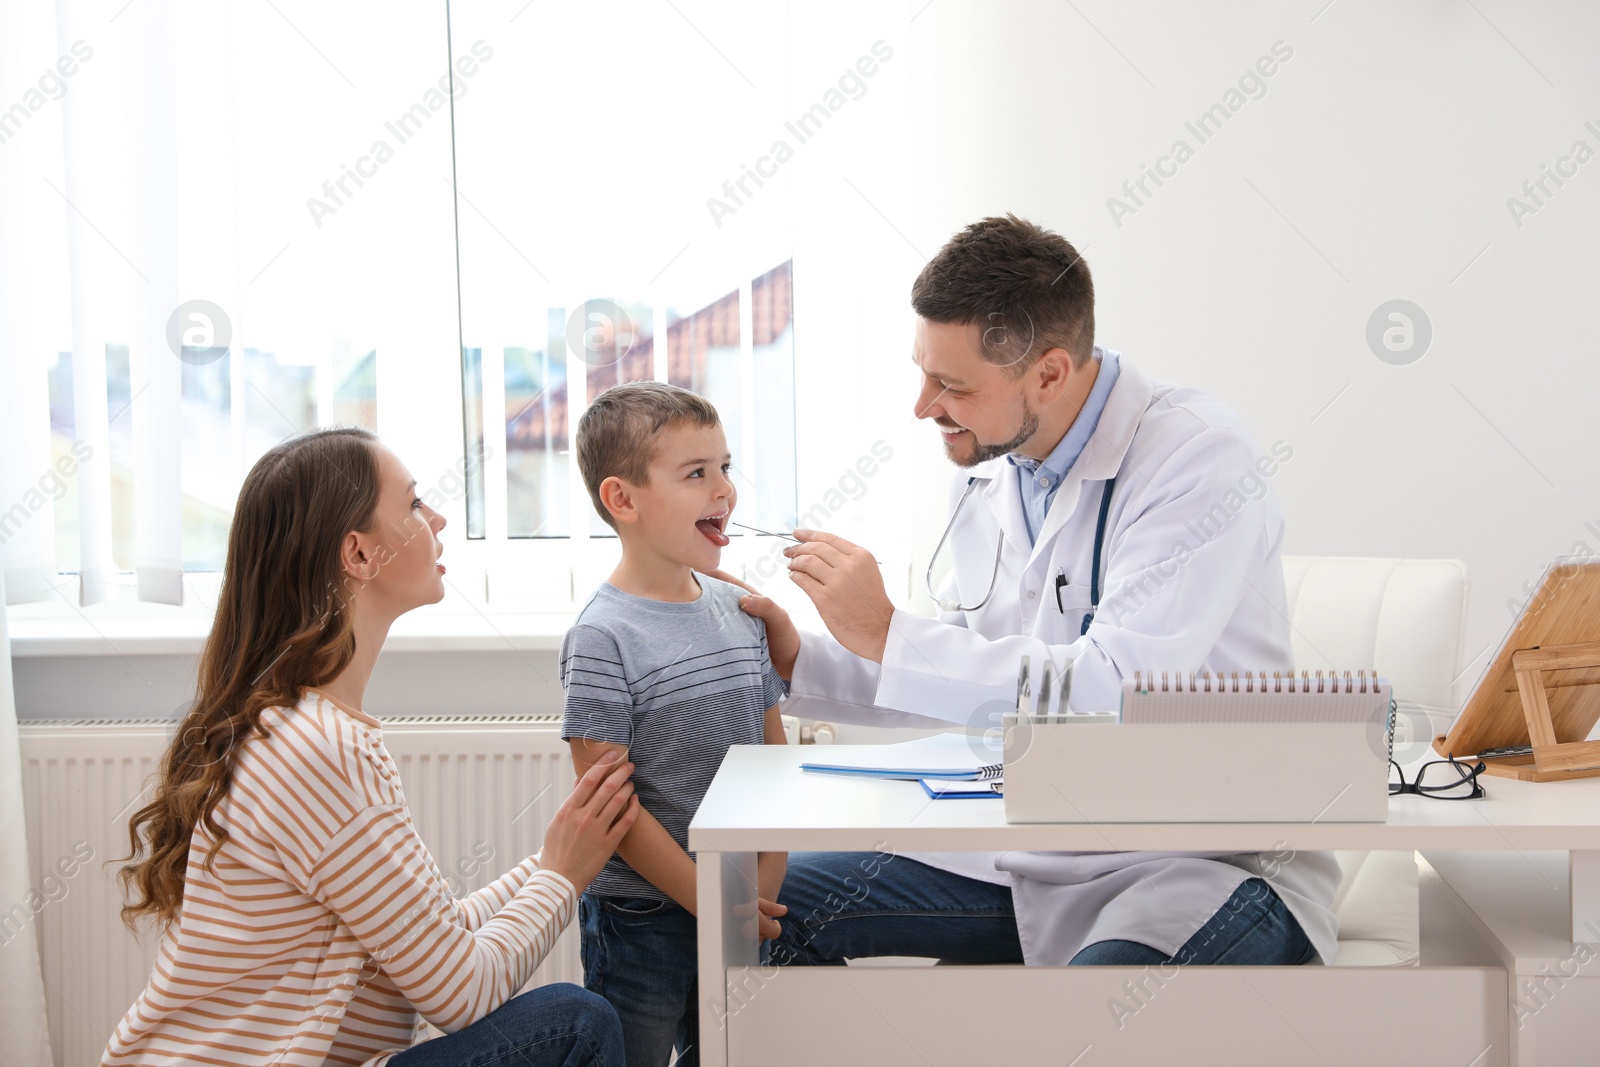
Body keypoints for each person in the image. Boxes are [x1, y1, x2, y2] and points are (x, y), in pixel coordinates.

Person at [734, 215, 1341, 969]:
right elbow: (973, 680)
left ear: (1049, 374)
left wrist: (888, 630)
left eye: (951, 384)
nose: (923, 405)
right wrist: (808, 663)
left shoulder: (1197, 460)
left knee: (1092, 1010)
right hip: (1035, 845)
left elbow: (1114, 692)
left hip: (1204, 859)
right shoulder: (996, 467)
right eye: (923, 372)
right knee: (761, 912)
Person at [105, 427, 639, 1067]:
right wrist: (562, 875)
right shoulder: (315, 749)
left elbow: (436, 940)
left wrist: (562, 855)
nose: (438, 517)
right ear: (358, 554)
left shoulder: (296, 726)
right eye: (414, 505)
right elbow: (461, 992)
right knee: (573, 1023)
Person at [560, 382, 789, 1067]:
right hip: (642, 920)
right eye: (697, 473)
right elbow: (612, 808)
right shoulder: (602, 637)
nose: (725, 489)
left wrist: (761, 887)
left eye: (725, 467)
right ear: (623, 500)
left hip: (742, 896)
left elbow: (772, 759)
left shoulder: (738, 606)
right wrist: (711, 898)